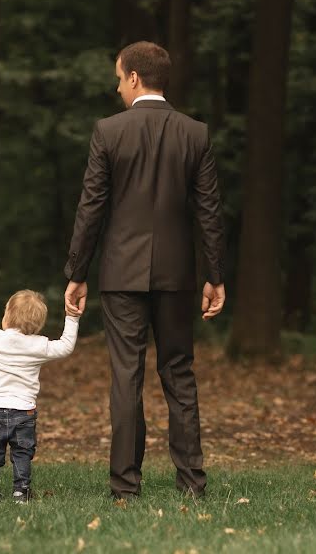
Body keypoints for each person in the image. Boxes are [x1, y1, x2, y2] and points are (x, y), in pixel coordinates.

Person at [64, 42, 226, 500]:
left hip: (121, 274)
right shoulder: (195, 133)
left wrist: (77, 271)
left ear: (135, 78)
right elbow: (210, 212)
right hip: (178, 274)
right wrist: (215, 274)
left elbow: (91, 207)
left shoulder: (108, 132)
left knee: (126, 376)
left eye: (119, 78)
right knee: (179, 372)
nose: (117, 87)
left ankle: (124, 487)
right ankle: (192, 484)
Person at [0, 290, 79, 503]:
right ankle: (21, 491)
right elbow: (65, 346)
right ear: (38, 324)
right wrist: (72, 318)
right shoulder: (38, 345)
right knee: (22, 453)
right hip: (25, 411)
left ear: (7, 316)